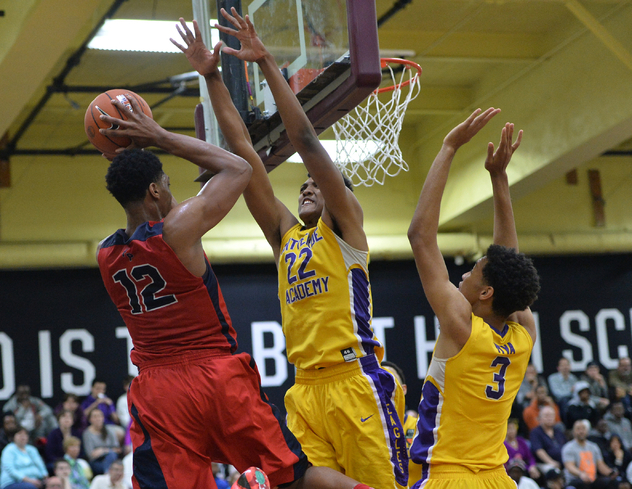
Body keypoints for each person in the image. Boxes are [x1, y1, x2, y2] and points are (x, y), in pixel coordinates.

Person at [172, 12, 407, 489]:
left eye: (315, 185)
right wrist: (213, 76)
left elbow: (304, 140)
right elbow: (243, 155)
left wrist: (265, 65)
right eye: (301, 185)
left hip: (355, 382)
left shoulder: (344, 230)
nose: (306, 188)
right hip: (304, 390)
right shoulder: (287, 236)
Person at [96, 87, 370, 489]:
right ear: (155, 191)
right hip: (217, 376)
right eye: (167, 184)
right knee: (293, 477)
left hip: (159, 392)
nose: (173, 193)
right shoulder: (177, 230)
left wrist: (124, 157)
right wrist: (159, 135)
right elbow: (239, 169)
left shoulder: (106, 255)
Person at [406, 107, 539, 489]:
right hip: (498, 478)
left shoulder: (460, 326)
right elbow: (507, 263)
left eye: (473, 271)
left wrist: (448, 147)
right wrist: (498, 177)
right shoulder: (523, 332)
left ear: (485, 292)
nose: (462, 273)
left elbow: (420, 236)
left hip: (448, 477)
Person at [562, 419, 618, 489]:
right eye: (578, 429)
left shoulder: (593, 446)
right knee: (581, 484)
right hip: (576, 479)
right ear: (573, 432)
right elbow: (570, 466)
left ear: (587, 431)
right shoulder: (568, 447)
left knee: (612, 482)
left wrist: (610, 473)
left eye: (583, 429)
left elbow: (600, 465)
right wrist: (581, 474)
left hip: (592, 479)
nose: (581, 431)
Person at [82, 409, 121, 476]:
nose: (98, 419)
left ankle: (108, 473)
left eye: (100, 416)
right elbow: (91, 455)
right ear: (90, 419)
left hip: (111, 459)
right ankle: (108, 475)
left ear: (103, 418)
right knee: (111, 456)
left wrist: (103, 450)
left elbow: (118, 449)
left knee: (112, 455)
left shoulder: (109, 430)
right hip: (97, 462)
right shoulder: (87, 434)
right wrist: (109, 450)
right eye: (95, 416)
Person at [530, 406, 567, 473]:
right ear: (540, 418)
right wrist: (551, 462)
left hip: (563, 463)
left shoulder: (559, 432)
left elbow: (566, 447)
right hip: (544, 464)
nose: (549, 418)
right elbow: (539, 450)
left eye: (551, 415)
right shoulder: (535, 432)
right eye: (546, 416)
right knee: (553, 471)